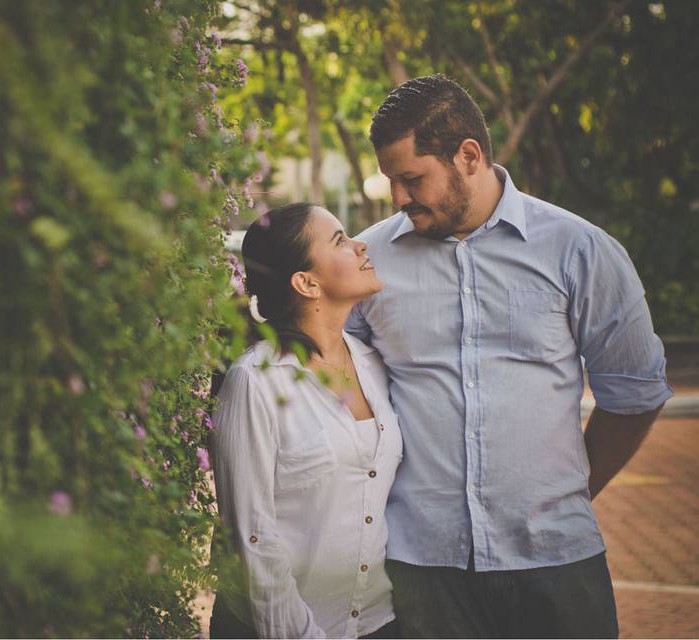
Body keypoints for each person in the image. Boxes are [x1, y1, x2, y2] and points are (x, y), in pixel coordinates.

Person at [345, 74, 673, 638]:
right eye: (390, 182)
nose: (398, 198)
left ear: (468, 156)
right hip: (419, 568)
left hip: (556, 560)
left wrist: (563, 491)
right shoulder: (365, 260)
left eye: (411, 179)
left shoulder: (580, 250)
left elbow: (634, 393)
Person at [209, 202, 402, 639]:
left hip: (376, 623)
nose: (360, 245)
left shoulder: (374, 365)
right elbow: (254, 543)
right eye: (339, 239)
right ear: (307, 282)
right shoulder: (254, 382)